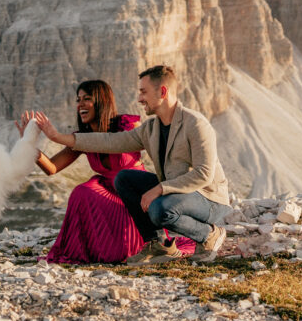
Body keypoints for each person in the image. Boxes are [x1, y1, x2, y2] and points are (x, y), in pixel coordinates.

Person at [36, 65, 232, 265]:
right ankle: (159, 244)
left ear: (162, 92)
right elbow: (110, 142)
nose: (139, 99)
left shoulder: (195, 123)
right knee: (125, 178)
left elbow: (203, 174)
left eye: (143, 92)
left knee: (159, 210)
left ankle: (209, 235)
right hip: (179, 193)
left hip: (208, 198)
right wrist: (57, 137)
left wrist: (159, 189)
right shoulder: (150, 128)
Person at [17, 79, 193, 264]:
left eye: (87, 98)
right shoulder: (82, 138)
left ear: (101, 101)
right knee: (83, 191)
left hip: (132, 194)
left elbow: (160, 153)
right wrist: (29, 145)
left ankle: (142, 242)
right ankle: (90, 249)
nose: (80, 104)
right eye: (78, 100)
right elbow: (52, 168)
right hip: (107, 193)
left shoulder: (126, 126)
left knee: (116, 242)